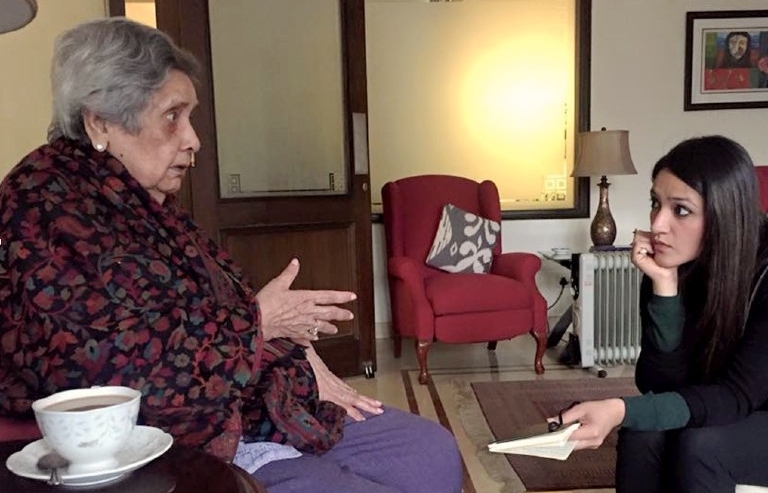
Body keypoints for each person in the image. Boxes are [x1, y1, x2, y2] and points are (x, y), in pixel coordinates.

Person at [0, 17, 462, 493]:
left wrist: (297, 355)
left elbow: (222, 308)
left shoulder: (142, 202)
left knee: (428, 453)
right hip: (172, 438)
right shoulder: (45, 205)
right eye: (173, 116)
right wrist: (260, 324)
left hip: (249, 401)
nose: (193, 139)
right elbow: (107, 369)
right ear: (101, 121)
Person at [557, 135, 768, 493]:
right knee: (645, 432)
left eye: (680, 210)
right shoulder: (671, 265)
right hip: (728, 408)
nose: (657, 224)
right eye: (656, 203)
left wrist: (620, 410)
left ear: (724, 214)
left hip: (750, 409)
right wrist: (664, 290)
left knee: (701, 447)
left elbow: (734, 396)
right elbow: (659, 386)